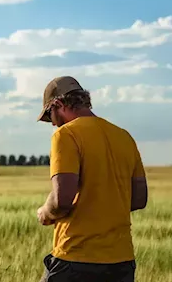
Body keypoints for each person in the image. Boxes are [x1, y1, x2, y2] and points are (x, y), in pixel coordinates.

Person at [35, 76, 148, 282]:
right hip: (121, 262)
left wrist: (45, 212)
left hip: (76, 258)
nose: (52, 125)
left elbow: (62, 200)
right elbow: (139, 199)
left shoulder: (66, 135)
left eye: (50, 116)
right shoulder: (123, 136)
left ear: (58, 104)